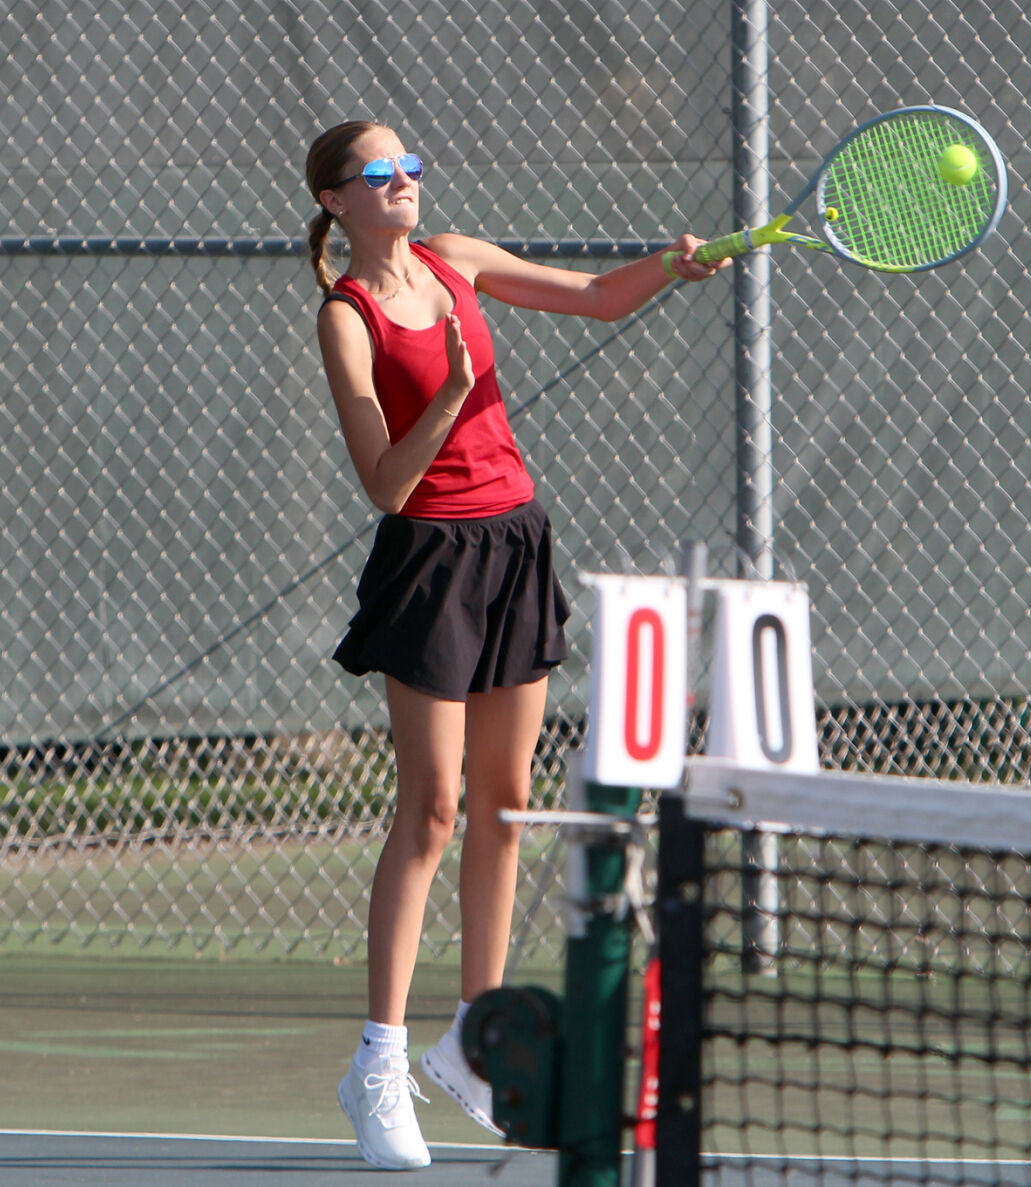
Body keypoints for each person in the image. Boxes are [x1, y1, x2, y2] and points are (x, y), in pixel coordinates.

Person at [305, 118, 725, 1171]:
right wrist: (448, 391)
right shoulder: (346, 317)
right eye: (377, 173)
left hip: (515, 538)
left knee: (501, 805)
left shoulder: (459, 259)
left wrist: (670, 268)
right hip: (429, 560)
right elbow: (384, 485)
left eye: (409, 166)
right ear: (335, 202)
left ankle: (476, 1041)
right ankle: (378, 1059)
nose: (401, 182)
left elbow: (589, 295)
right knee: (433, 806)